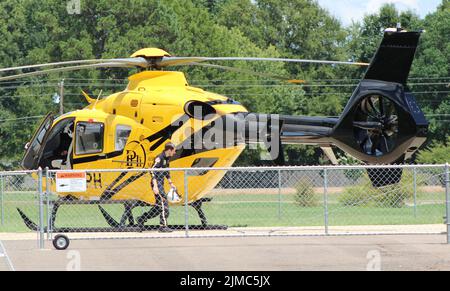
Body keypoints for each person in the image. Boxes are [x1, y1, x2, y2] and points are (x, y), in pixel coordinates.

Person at [137, 142, 177, 233]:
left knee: (158, 207)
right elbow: (152, 171)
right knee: (164, 203)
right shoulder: (159, 158)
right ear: (169, 150)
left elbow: (167, 171)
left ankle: (141, 218)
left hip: (161, 183)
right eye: (173, 151)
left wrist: (171, 183)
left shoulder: (167, 158)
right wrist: (155, 185)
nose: (174, 153)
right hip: (156, 183)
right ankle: (163, 226)